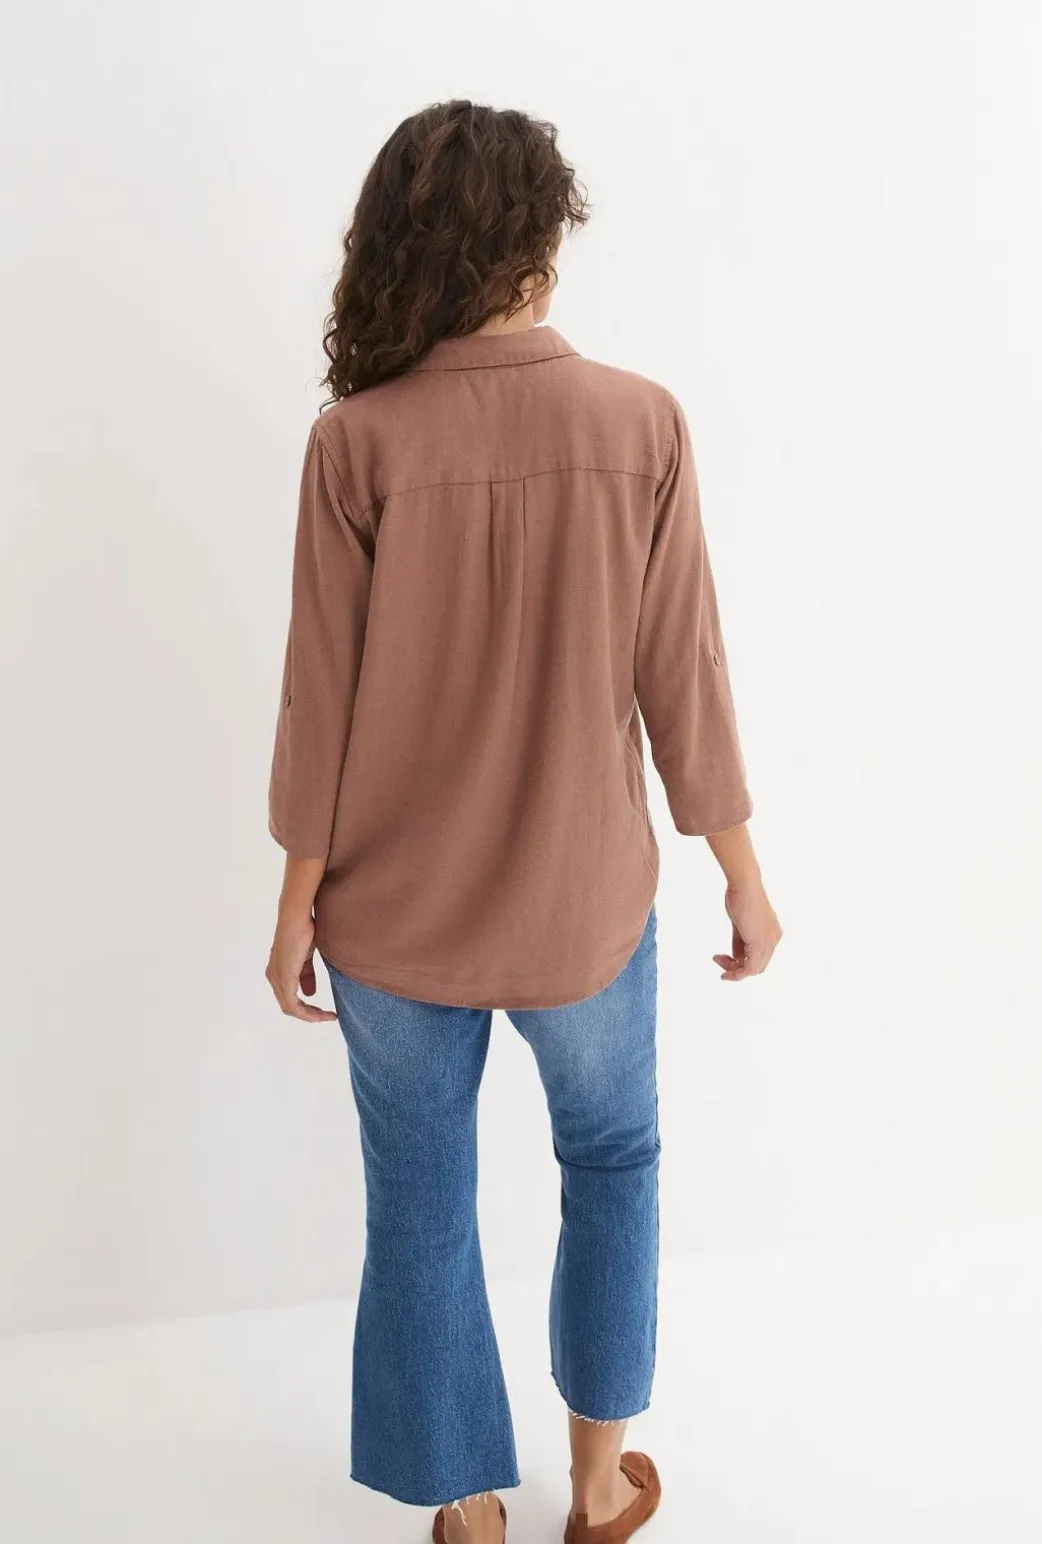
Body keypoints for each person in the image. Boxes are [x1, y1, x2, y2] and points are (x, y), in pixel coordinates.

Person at [265, 99, 781, 1544]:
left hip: (392, 917)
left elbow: (318, 699)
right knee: (611, 1162)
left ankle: (468, 1508)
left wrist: (294, 903)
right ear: (539, 239)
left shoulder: (354, 442)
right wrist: (741, 871)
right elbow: (683, 673)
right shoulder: (639, 422)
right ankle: (601, 1485)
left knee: (419, 1200)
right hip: (584, 907)